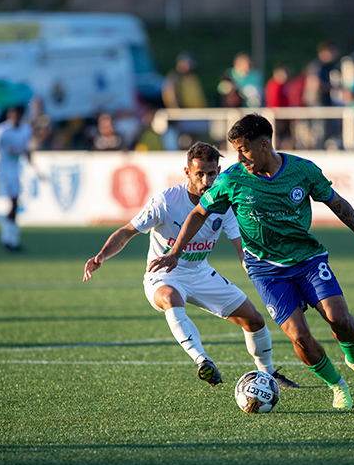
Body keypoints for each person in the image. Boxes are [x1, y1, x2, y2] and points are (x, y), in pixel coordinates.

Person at [148, 114, 354, 409]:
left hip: (308, 260)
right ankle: (336, 385)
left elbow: (338, 204)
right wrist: (175, 252)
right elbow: (199, 213)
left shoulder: (302, 171)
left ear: (264, 145)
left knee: (340, 319)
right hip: (266, 271)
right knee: (300, 336)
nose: (239, 157)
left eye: (243, 149)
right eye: (236, 150)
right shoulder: (231, 180)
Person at [83, 141, 298, 390]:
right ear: (187, 172)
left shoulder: (223, 203)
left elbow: (241, 249)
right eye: (200, 174)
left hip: (201, 273)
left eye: (212, 174)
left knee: (255, 321)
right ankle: (203, 361)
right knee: (172, 297)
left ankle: (270, 374)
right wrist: (101, 256)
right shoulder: (166, 201)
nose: (206, 180)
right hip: (163, 275)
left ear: (218, 171)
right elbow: (127, 231)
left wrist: (260, 276)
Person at [0, 106, 42, 251]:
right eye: (13, 117)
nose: (16, 119)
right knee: (14, 201)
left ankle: (10, 238)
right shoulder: (1, 131)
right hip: (3, 168)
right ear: (9, 117)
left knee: (15, 203)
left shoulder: (26, 130)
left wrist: (37, 170)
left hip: (16, 168)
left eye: (18, 116)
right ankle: (9, 238)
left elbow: (26, 152)